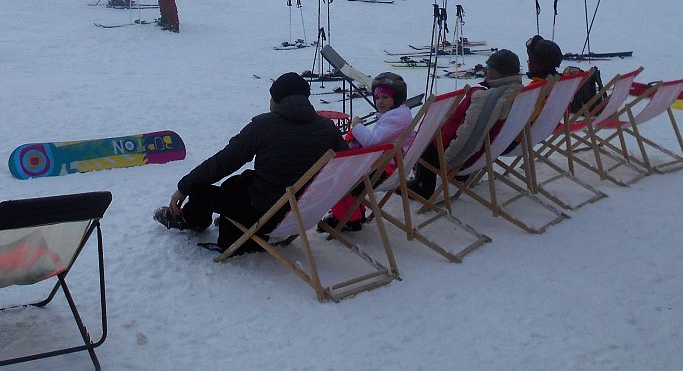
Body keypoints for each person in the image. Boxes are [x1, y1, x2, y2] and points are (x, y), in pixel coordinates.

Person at [153, 72, 347, 254]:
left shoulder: (265, 126)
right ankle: (231, 223)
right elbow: (346, 163)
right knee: (242, 180)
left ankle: (192, 220)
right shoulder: (327, 128)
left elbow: (223, 162)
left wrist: (184, 187)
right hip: (304, 211)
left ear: (277, 100)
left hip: (264, 212)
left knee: (200, 190)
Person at [407, 49, 524, 199]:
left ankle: (422, 187)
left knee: (422, 143)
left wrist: (450, 161)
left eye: (488, 68)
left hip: (456, 156)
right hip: (482, 153)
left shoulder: (488, 98)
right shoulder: (516, 91)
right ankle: (448, 176)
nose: (485, 71)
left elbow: (471, 133)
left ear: (500, 72)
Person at [323, 72, 412, 231]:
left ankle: (346, 218)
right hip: (389, 164)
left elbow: (371, 142)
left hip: (385, 169)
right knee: (348, 168)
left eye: (385, 97)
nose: (380, 101)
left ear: (397, 98)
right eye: (377, 98)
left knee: (341, 174)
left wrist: (356, 126)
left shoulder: (396, 119)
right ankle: (353, 215)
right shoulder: (399, 115)